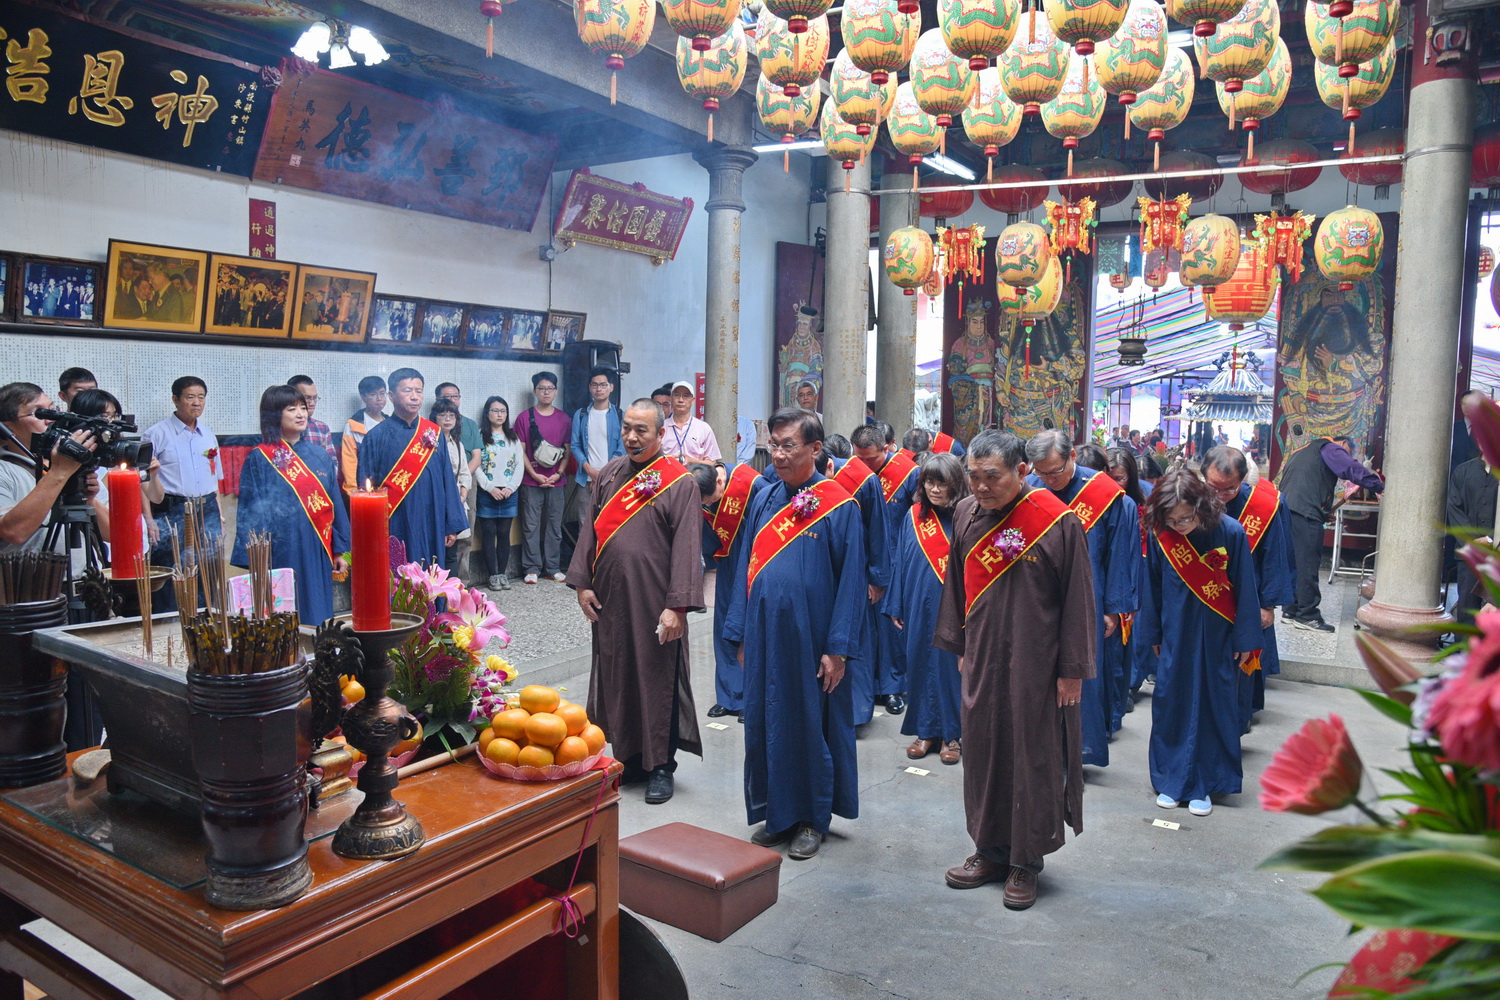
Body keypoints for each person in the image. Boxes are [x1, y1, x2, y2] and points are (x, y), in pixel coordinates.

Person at [932, 430, 1095, 910]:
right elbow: (956, 586)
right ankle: (989, 850)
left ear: (1022, 472)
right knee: (982, 752)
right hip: (982, 656)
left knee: (1032, 756)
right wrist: (960, 642)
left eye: (992, 477)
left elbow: (1078, 600)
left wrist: (1072, 670)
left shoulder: (1058, 523)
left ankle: (1026, 860)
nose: (980, 487)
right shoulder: (965, 513)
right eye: (974, 477)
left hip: (1037, 662)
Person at [723, 408, 866, 860]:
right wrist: (741, 631)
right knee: (767, 718)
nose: (778, 455)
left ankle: (811, 818)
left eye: (788, 446)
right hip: (766, 634)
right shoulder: (765, 498)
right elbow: (746, 565)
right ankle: (777, 812)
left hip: (812, 637)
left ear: (815, 449)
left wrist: (838, 649)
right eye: (774, 445)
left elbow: (852, 583)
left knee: (810, 722)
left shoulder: (841, 504)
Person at [567, 398, 705, 805]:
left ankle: (661, 765)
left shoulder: (679, 482)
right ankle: (628, 757)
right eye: (626, 428)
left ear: (661, 434)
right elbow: (589, 530)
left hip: (654, 602)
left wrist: (677, 606)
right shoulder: (609, 473)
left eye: (641, 430)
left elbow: (686, 546)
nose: (631, 436)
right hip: (610, 600)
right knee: (618, 673)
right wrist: (582, 584)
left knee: (656, 678)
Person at [1138, 470, 1262, 817]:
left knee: (1214, 704)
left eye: (1187, 518)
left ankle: (1205, 783)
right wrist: (1154, 635)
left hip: (1218, 636)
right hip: (1175, 633)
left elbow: (1245, 588)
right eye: (1172, 519)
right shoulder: (1161, 535)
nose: (1179, 525)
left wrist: (1244, 638)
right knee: (1170, 702)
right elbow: (1152, 587)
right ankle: (1170, 779)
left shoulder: (1231, 533)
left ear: (1202, 506)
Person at [1025, 430, 1138, 767]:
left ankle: (1076, 753)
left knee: (1079, 675)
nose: (1048, 479)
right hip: (1038, 600)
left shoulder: (1106, 495)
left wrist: (1113, 611)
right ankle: (1038, 750)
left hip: (1089, 598)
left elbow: (1119, 557)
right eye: (1041, 472)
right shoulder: (1030, 488)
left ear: (1072, 457)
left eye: (1055, 471)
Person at [233, 385, 350, 625]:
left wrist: (340, 549)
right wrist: (255, 558)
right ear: (274, 414)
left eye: (303, 408)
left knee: (318, 613)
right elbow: (250, 510)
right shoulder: (260, 457)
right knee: (284, 615)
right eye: (292, 409)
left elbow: (334, 504)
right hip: (281, 549)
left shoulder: (320, 455)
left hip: (317, 547)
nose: (301, 414)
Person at [884, 453, 967, 764]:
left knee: (950, 670)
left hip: (954, 608)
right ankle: (925, 731)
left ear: (956, 485)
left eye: (941, 483)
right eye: (929, 482)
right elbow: (901, 562)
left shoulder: (967, 515)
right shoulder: (914, 515)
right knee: (918, 666)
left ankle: (952, 735)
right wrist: (897, 604)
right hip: (918, 603)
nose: (934, 489)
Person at [1205, 446, 1294, 729]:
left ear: (1243, 479)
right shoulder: (1192, 502)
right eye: (1212, 488)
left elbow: (1274, 558)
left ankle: (1238, 718)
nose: (1219, 497)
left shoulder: (1264, 507)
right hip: (1205, 595)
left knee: (1243, 659)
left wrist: (1267, 606)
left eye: (1228, 490)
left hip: (1247, 598)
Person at [357, 367, 467, 568]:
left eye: (419, 391)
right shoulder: (376, 437)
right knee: (399, 574)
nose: (415, 397)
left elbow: (447, 480)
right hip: (396, 519)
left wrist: (451, 523)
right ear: (391, 396)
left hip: (431, 516)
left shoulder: (433, 432)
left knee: (431, 573)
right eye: (407, 391)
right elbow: (366, 486)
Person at [1276, 433, 1384, 631]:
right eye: (1348, 452)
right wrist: (1379, 486)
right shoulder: (1330, 447)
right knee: (1307, 563)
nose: (1346, 456)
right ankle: (1307, 615)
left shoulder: (1303, 451)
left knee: (1294, 563)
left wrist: (1323, 511)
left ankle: (1290, 610)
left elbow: (1305, 483)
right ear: (1343, 444)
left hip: (1286, 510)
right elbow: (1350, 469)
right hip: (1305, 513)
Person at [851, 424, 919, 715]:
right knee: (862, 628)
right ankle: (865, 687)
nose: (865, 467)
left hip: (895, 560)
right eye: (860, 459)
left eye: (872, 461)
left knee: (890, 627)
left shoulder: (909, 472)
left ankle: (892, 687)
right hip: (858, 559)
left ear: (887, 449)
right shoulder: (852, 474)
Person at [691, 459, 765, 720]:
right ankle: (728, 696)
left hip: (756, 563)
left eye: (711, 499)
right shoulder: (701, 491)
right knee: (724, 627)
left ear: (720, 481)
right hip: (728, 562)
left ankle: (751, 698)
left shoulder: (752, 482)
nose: (709, 505)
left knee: (749, 629)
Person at [829, 432, 891, 727]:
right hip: (819, 572)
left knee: (853, 640)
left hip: (855, 570)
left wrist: (877, 578)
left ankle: (854, 711)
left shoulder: (864, 481)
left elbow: (878, 531)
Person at [144, 377, 223, 601]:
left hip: (206, 508)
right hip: (172, 509)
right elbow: (142, 483)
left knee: (208, 568)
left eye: (201, 397)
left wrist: (220, 516)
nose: (197, 403)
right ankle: (168, 622)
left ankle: (204, 618)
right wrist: (149, 520)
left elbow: (214, 479)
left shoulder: (208, 435)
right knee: (170, 568)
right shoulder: (156, 434)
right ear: (175, 400)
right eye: (190, 397)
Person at [0, 383, 99, 555]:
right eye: (39, 413)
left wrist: (88, 500)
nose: (51, 419)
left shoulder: (68, 464)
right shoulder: (5, 470)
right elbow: (13, 532)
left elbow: (109, 535)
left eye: (53, 410)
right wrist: (59, 473)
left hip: (88, 577)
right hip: (40, 579)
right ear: (8, 427)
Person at [71, 389, 163, 562]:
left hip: (136, 543)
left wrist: (154, 475)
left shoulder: (124, 452)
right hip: (103, 548)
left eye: (115, 416)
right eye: (104, 416)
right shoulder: (77, 460)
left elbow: (156, 497)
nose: (111, 422)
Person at [515, 371, 572, 584]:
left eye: (549, 389)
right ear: (535, 391)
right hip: (531, 481)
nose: (546, 392)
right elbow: (520, 451)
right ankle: (531, 568)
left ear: (556, 391)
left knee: (554, 525)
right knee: (531, 525)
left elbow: (567, 450)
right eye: (541, 388)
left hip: (557, 481)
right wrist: (535, 475)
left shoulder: (564, 418)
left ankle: (552, 567)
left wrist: (558, 474)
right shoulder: (524, 417)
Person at [474, 396, 524, 591]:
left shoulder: (513, 437)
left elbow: (519, 465)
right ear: (487, 414)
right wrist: (489, 487)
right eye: (495, 410)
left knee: (504, 533)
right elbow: (476, 464)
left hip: (509, 492)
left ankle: (503, 574)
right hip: (488, 491)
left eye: (503, 411)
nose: (499, 414)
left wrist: (511, 487)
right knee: (489, 533)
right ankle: (492, 576)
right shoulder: (480, 436)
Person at [1447, 447, 1498, 623]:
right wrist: (1474, 541)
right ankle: (1466, 649)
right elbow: (1454, 508)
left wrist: (1492, 539)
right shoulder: (1462, 471)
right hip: (1469, 552)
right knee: (1467, 608)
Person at [429, 398, 473, 574]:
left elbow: (464, 473)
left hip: (454, 500)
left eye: (451, 415)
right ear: (435, 418)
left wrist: (462, 495)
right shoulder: (429, 442)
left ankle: (453, 593)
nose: (447, 419)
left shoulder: (458, 445)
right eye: (442, 415)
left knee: (452, 550)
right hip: (433, 500)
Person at [342, 376, 387, 494]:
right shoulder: (354, 425)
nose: (379, 399)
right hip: (363, 484)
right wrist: (352, 490)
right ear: (363, 397)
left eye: (382, 393)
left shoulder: (390, 422)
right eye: (373, 394)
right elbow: (349, 461)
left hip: (388, 484)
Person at [665, 381, 720, 464]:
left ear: (693, 400)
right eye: (677, 395)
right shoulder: (661, 427)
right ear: (671, 399)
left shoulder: (704, 428)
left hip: (695, 475)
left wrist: (693, 461)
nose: (680, 400)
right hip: (668, 475)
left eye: (686, 396)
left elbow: (712, 462)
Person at [287, 375, 336, 464]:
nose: (312, 403)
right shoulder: (281, 426)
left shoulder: (322, 428)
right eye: (307, 398)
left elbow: (332, 462)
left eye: (315, 398)